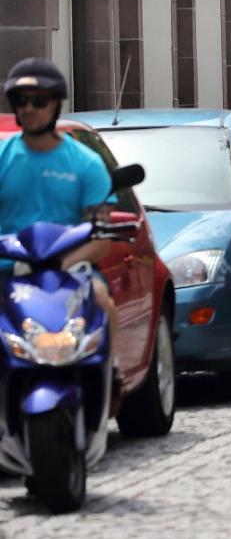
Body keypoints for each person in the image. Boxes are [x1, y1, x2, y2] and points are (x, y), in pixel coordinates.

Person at [0, 58, 121, 356]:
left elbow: (100, 238)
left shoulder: (86, 164)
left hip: (72, 272)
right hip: (7, 269)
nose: (28, 109)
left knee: (103, 300)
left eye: (38, 101)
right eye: (21, 101)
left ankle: (112, 376)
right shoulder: (2, 156)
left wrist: (62, 265)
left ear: (56, 104)